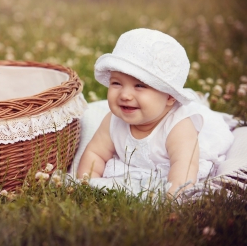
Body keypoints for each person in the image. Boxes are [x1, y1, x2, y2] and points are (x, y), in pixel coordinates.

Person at [76, 28, 234, 197]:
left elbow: (185, 166)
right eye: (116, 83)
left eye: (140, 86)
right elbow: (95, 153)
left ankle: (201, 102)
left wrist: (173, 198)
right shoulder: (113, 120)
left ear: (170, 97)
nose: (125, 95)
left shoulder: (179, 127)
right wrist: (87, 183)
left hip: (187, 152)